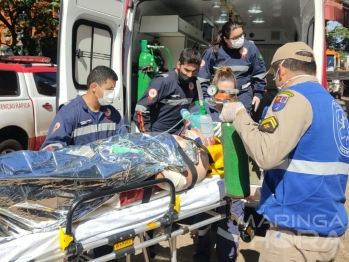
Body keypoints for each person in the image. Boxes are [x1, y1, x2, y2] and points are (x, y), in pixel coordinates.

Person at [220, 41, 348, 262]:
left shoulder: (291, 98)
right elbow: (310, 162)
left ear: (281, 70)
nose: (274, 79)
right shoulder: (332, 105)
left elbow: (265, 154)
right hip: (326, 229)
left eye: (274, 74)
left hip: (295, 236)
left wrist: (239, 114)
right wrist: (265, 193)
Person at [41, 65, 128, 261]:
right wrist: (78, 158)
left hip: (106, 185)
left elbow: (123, 142)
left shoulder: (112, 114)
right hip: (80, 186)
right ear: (94, 87)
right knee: (78, 244)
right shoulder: (70, 113)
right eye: (109, 89)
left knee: (105, 241)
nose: (112, 94)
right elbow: (51, 148)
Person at [190, 67, 244, 262]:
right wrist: (196, 135)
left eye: (230, 92)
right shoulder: (199, 111)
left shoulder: (239, 112)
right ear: (212, 89)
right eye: (221, 91)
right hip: (207, 184)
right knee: (202, 231)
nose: (224, 96)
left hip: (231, 183)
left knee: (229, 235)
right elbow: (185, 141)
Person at [198, 21, 267, 114]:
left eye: (241, 35)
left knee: (242, 123)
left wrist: (258, 94)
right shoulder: (213, 52)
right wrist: (207, 99)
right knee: (219, 122)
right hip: (219, 95)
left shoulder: (251, 49)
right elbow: (203, 78)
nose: (240, 39)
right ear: (225, 39)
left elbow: (259, 73)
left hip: (242, 95)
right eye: (235, 38)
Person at [134, 48, 202, 135]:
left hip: (180, 134)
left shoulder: (194, 83)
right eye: (187, 70)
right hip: (158, 135)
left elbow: (196, 108)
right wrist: (148, 134)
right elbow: (141, 109)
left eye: (194, 71)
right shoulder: (163, 82)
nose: (190, 75)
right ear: (178, 64)